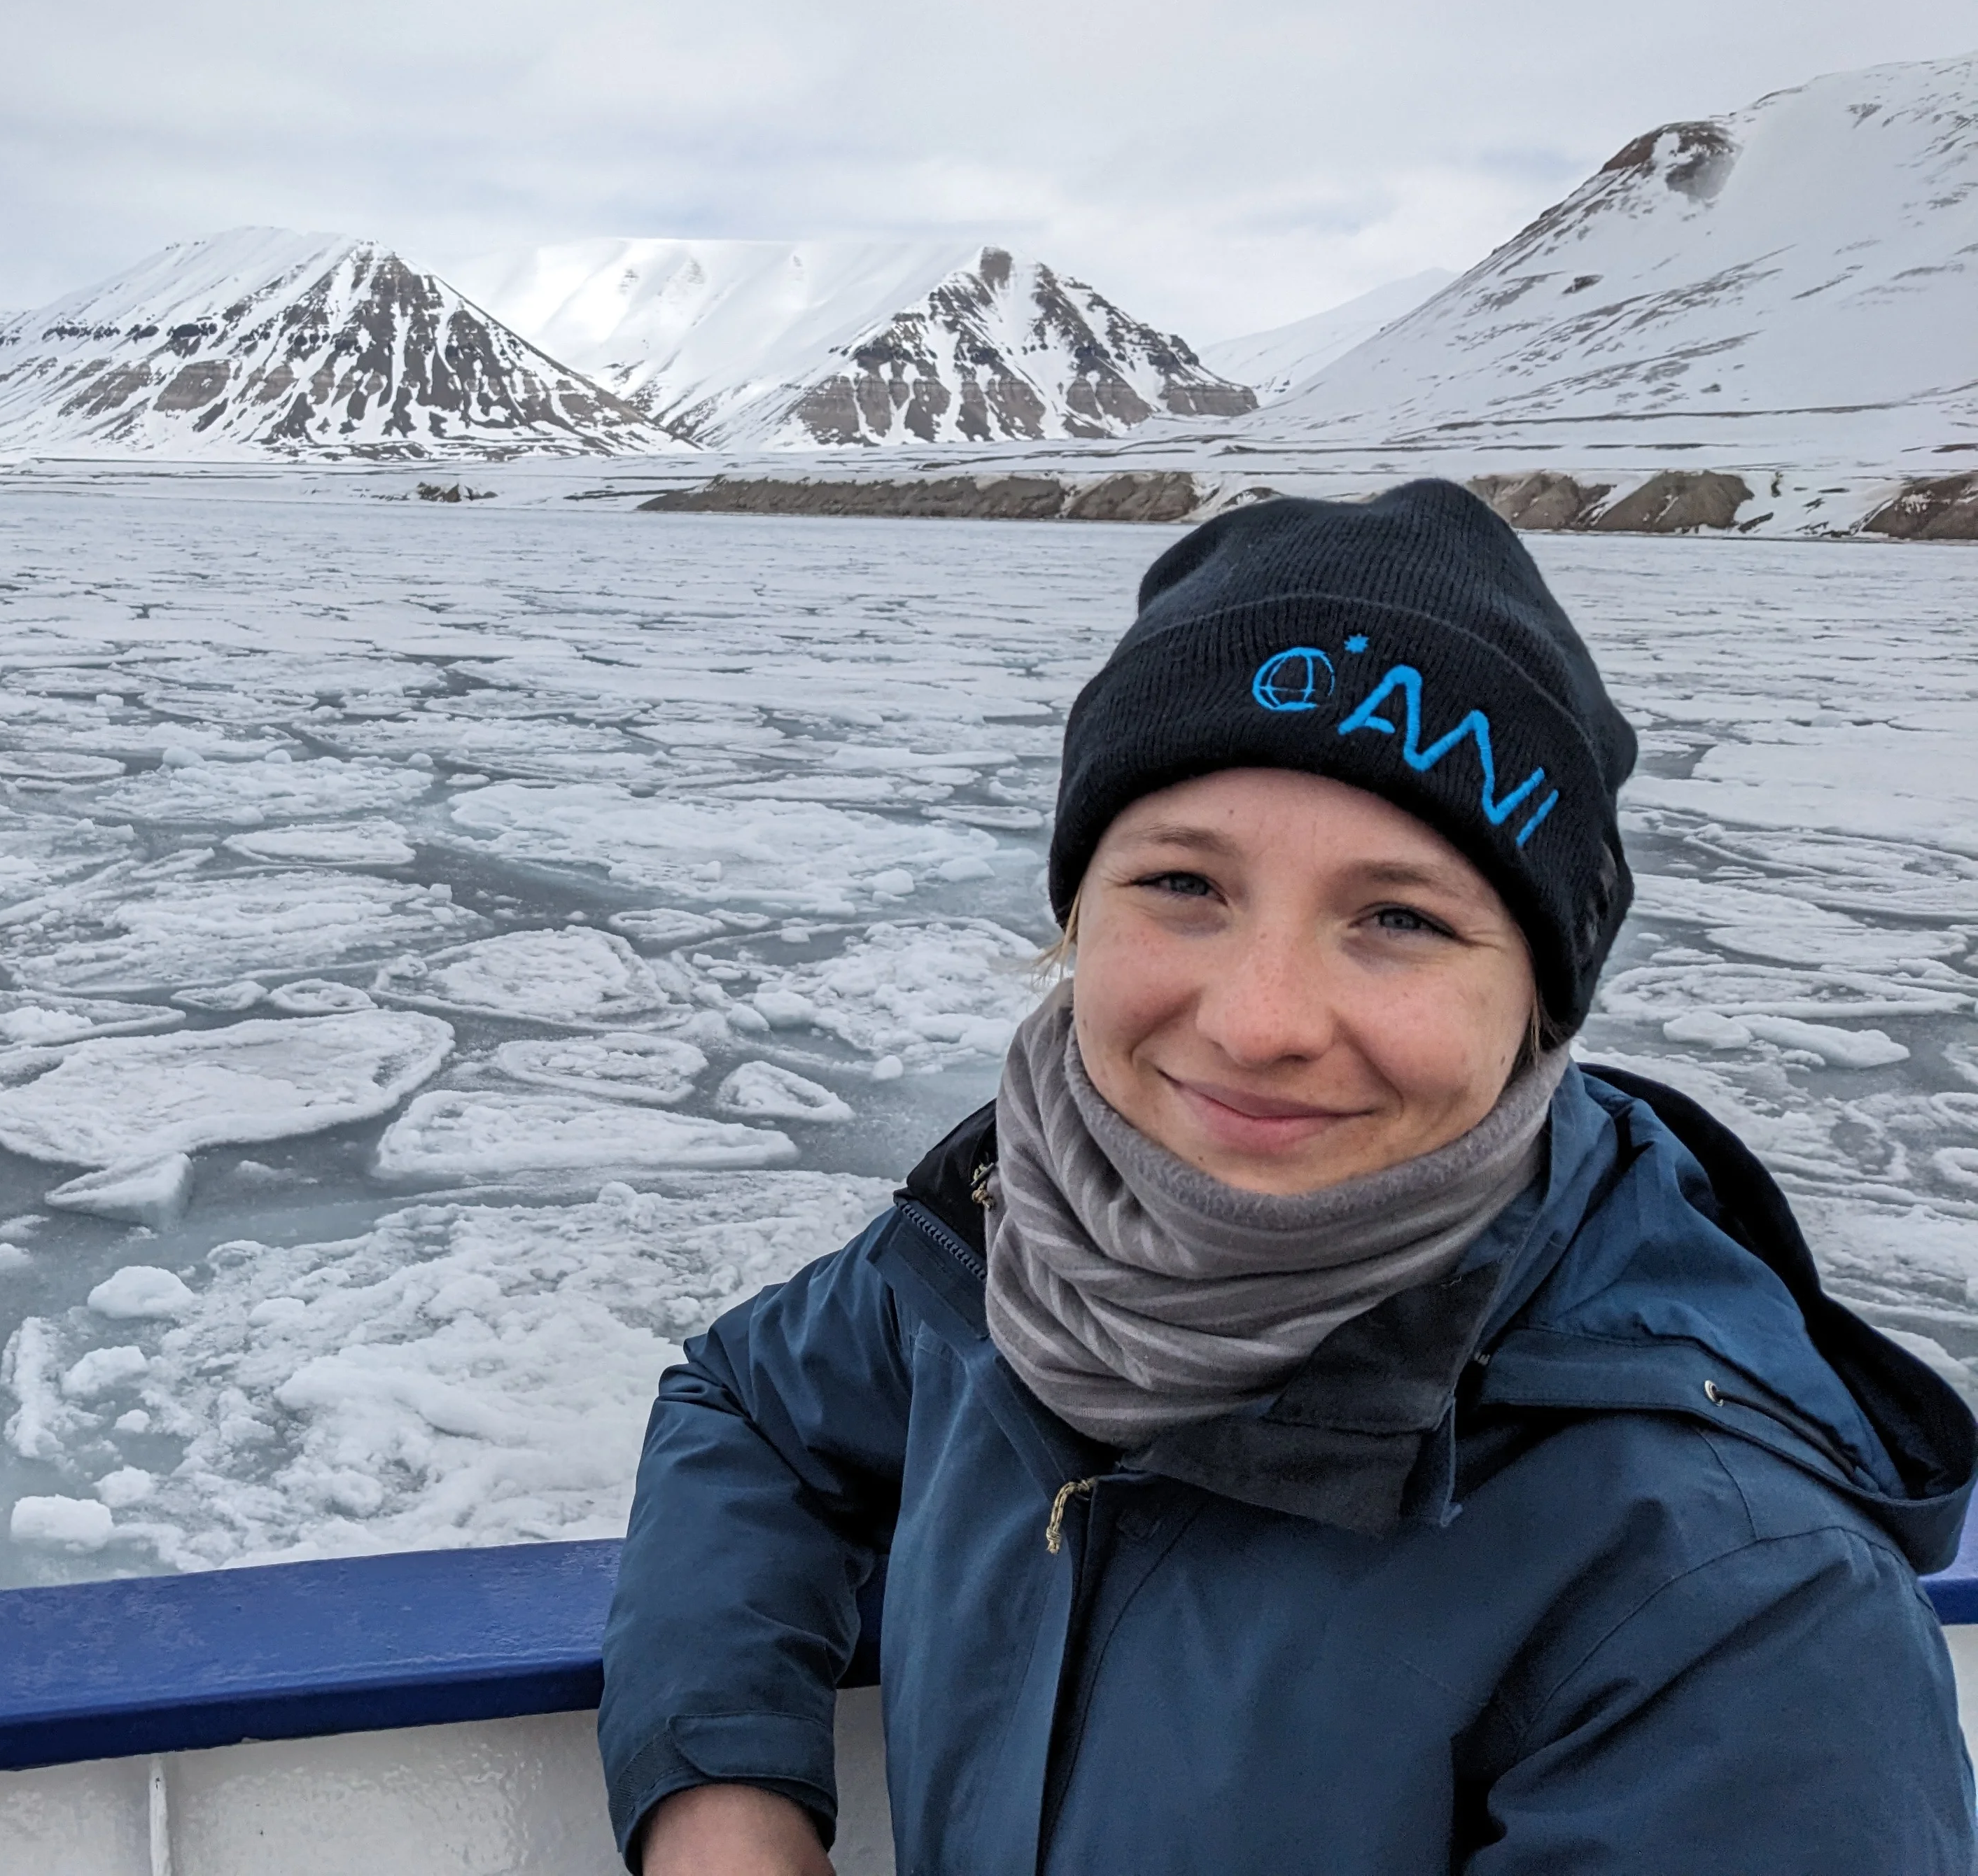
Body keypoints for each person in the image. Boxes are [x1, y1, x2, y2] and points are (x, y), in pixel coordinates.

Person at [600, 480, 1978, 1875]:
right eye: (1183, 886)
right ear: (1080, 911)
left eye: (1399, 917)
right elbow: (753, 1411)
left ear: (1543, 1004)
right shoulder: (1009, 1241)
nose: (1261, 1020)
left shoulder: (1732, 1610)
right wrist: (724, 1803)